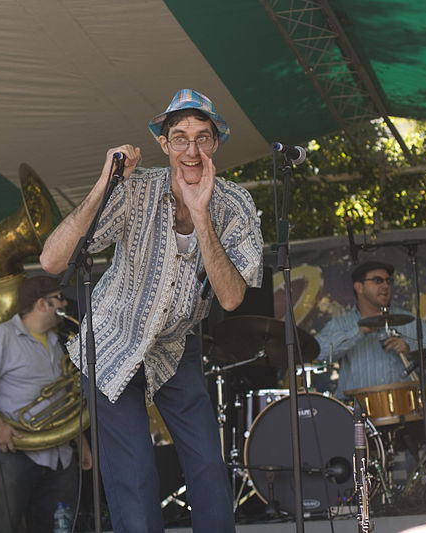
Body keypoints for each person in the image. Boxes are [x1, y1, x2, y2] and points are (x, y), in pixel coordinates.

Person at [40, 88, 264, 532]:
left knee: (207, 465)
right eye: (179, 137)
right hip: (112, 339)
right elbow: (51, 260)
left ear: (216, 143)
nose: (192, 149)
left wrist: (201, 216)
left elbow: (232, 297)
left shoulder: (234, 204)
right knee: (134, 475)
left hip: (175, 344)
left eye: (203, 137)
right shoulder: (135, 190)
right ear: (164, 145)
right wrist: (106, 182)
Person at [0, 275, 92, 533]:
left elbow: (66, 396)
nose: (65, 303)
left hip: (60, 456)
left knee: (58, 529)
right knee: (4, 527)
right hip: (14, 453)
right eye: (59, 298)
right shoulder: (2, 335)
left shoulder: (58, 339)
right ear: (43, 304)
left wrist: (80, 440)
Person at [315, 260, 426, 400]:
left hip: (406, 409)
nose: (385, 285)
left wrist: (411, 350)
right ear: (359, 287)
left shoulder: (411, 322)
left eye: (388, 281)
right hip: (357, 413)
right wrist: (358, 332)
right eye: (378, 280)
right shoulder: (341, 324)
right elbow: (318, 353)